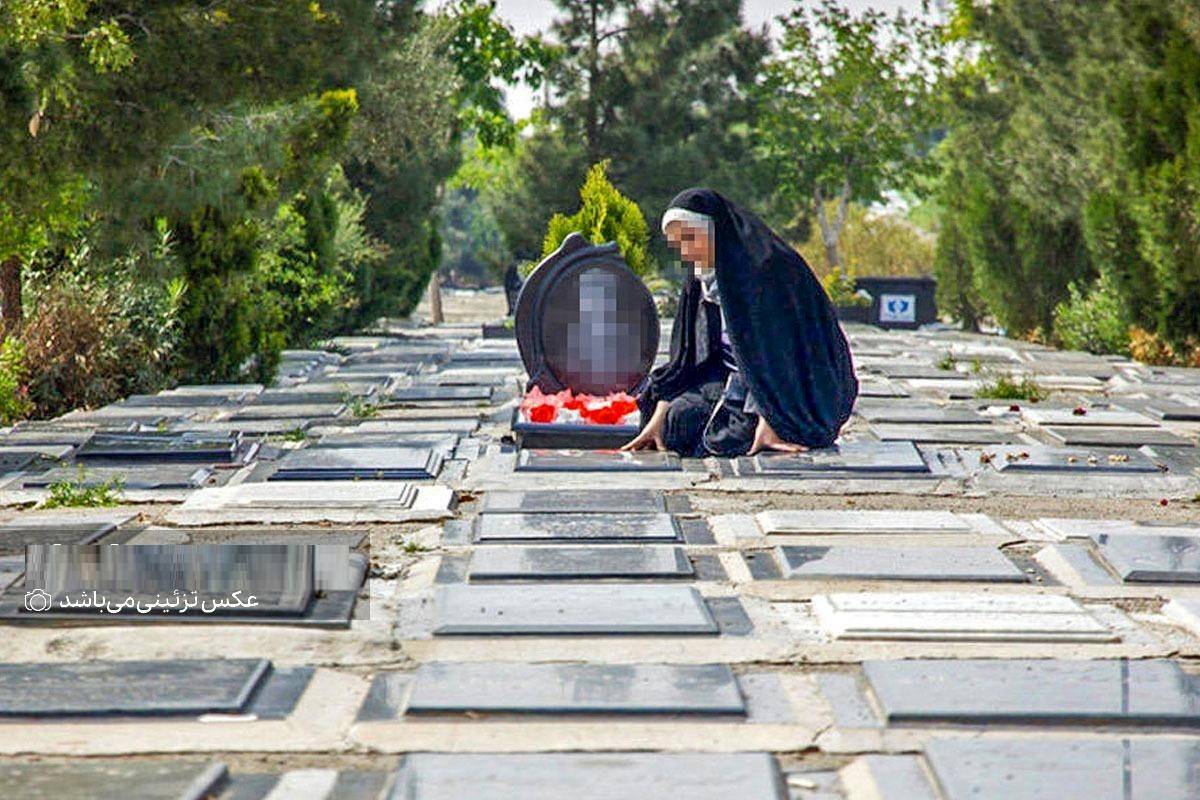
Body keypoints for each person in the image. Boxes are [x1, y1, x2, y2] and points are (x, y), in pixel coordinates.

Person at [622, 188, 858, 457]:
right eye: (679, 245)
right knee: (678, 422)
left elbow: (782, 359)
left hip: (793, 389)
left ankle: (768, 426)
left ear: (715, 231)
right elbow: (686, 361)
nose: (686, 253)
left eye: (691, 239)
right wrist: (658, 419)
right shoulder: (701, 278)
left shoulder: (767, 271)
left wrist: (771, 421)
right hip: (730, 378)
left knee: (732, 437)